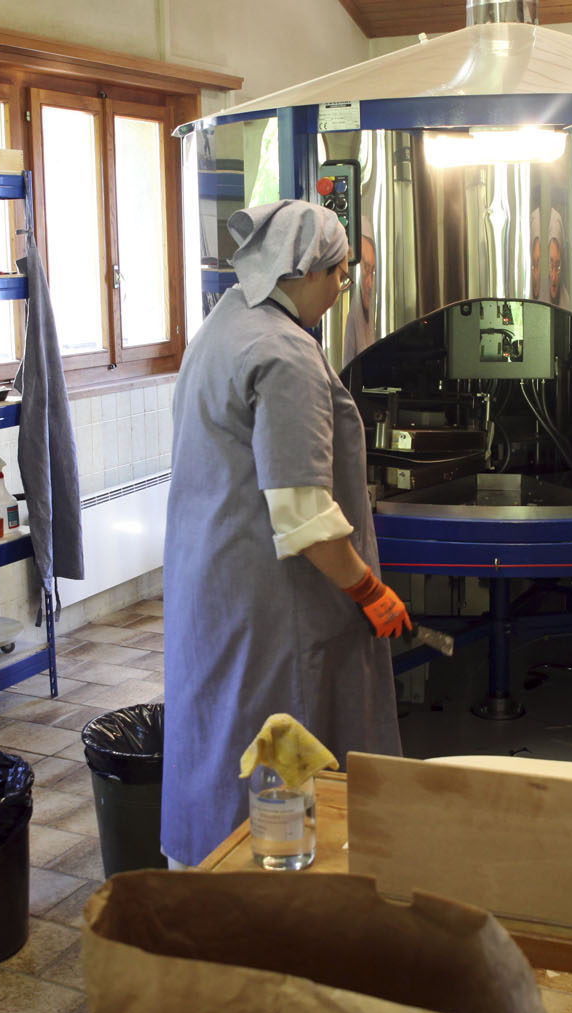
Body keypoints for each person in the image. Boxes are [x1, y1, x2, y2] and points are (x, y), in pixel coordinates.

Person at [162, 200, 412, 866]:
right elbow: (304, 516)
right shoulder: (287, 356)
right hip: (273, 605)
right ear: (305, 270)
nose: (340, 291)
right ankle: (262, 895)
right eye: (339, 275)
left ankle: (203, 867)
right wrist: (369, 591)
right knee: (279, 748)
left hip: (213, 584)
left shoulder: (223, 327)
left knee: (219, 733)